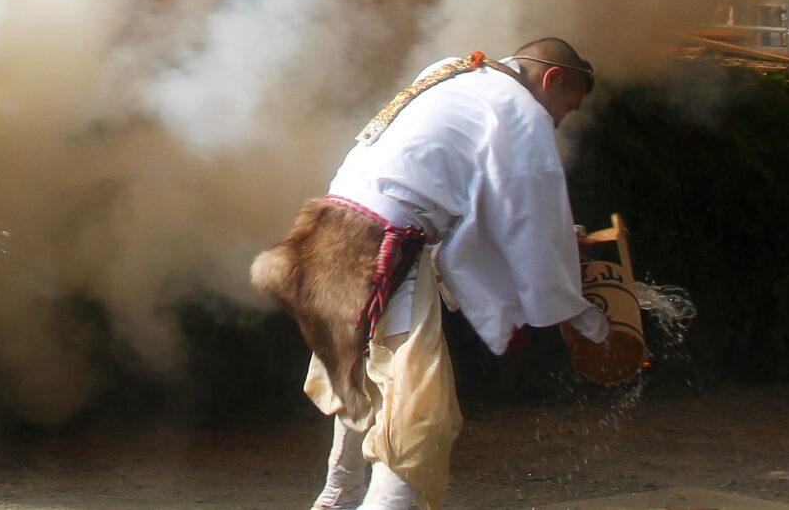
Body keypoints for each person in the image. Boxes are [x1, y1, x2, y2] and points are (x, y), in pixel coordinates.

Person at [252, 40, 611, 510]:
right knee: (419, 418)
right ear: (552, 80)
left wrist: (555, 236)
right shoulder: (523, 112)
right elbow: (530, 223)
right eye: (569, 104)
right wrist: (585, 319)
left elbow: (463, 199)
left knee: (364, 374)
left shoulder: (454, 70)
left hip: (325, 232)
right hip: (380, 250)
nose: (562, 119)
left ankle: (337, 495)